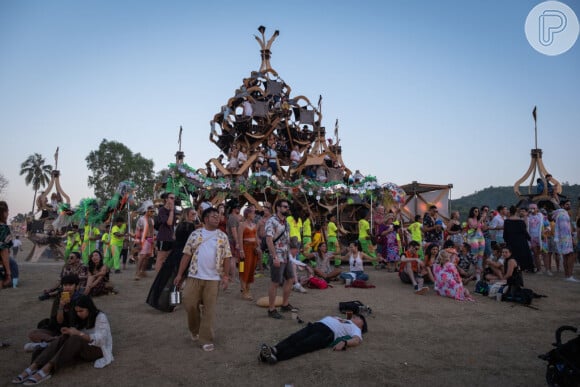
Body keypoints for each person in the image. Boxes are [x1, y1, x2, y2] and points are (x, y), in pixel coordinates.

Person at [12, 295, 114, 384]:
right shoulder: (67, 305)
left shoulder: (100, 317)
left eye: (81, 311)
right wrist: (69, 331)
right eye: (77, 311)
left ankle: (47, 368)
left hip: (99, 349)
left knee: (75, 338)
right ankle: (33, 367)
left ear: (89, 309)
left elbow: (101, 340)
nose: (78, 313)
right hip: (82, 346)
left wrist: (78, 333)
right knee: (66, 336)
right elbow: (59, 322)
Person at [174, 207, 231, 352]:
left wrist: (225, 276)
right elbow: (186, 255)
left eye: (218, 216)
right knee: (189, 303)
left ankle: (205, 338)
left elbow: (227, 257)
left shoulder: (222, 236)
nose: (217, 218)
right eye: (213, 216)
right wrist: (180, 275)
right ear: (205, 219)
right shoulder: (195, 234)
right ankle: (194, 329)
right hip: (194, 275)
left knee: (209, 310)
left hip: (213, 278)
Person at [258, 313, 367, 364]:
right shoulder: (344, 319)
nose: (357, 317)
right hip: (316, 326)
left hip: (327, 333)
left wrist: (344, 342)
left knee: (302, 345)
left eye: (359, 318)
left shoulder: (356, 329)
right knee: (294, 337)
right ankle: (273, 350)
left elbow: (356, 340)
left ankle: (277, 357)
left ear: (361, 325)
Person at [147, 207, 197, 312]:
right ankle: (174, 301)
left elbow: (175, 238)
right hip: (185, 254)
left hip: (176, 253)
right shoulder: (190, 226)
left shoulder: (180, 226)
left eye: (195, 214)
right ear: (187, 214)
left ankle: (172, 301)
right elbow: (192, 241)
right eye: (192, 214)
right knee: (181, 278)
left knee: (175, 277)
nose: (194, 216)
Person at [25, 274, 82, 352]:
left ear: (76, 286)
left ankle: (47, 344)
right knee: (32, 333)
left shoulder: (81, 298)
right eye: (65, 285)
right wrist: (61, 306)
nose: (68, 287)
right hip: (58, 330)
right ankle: (54, 341)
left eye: (71, 285)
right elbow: (59, 321)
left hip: (73, 330)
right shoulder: (59, 297)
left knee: (72, 338)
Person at [265, 199, 295, 319]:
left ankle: (285, 304)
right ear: (277, 208)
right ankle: (271, 309)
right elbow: (269, 239)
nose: (287, 209)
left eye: (287, 207)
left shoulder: (286, 222)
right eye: (284, 207)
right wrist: (274, 256)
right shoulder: (271, 221)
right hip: (277, 255)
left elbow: (286, 239)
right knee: (275, 282)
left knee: (291, 279)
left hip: (286, 255)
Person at [237, 206, 260, 300]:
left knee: (251, 269)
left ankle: (248, 289)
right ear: (248, 214)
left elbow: (256, 237)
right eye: (253, 213)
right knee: (243, 269)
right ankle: (243, 290)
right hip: (245, 249)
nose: (254, 214)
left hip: (253, 249)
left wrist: (258, 246)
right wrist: (241, 250)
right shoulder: (242, 225)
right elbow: (239, 239)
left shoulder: (254, 225)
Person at [552, 200, 578, 282]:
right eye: (567, 204)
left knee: (565, 256)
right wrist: (572, 238)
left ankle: (567, 275)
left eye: (569, 204)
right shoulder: (563, 215)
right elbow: (565, 228)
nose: (569, 205)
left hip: (563, 238)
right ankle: (569, 276)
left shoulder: (561, 214)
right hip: (565, 238)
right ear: (562, 206)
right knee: (570, 256)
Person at [503, 205, 534, 272]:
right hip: (521, 241)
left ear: (510, 212)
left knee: (513, 255)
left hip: (511, 240)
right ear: (516, 211)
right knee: (522, 255)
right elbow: (524, 232)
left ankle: (513, 267)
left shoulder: (507, 221)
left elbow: (505, 233)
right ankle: (522, 268)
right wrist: (529, 238)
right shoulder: (521, 221)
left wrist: (506, 240)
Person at [155, 193, 176, 272]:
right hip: (163, 238)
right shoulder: (162, 210)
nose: (173, 200)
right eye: (171, 198)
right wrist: (171, 211)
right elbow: (169, 223)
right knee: (160, 258)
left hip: (170, 238)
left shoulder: (174, 211)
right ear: (166, 199)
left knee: (169, 258)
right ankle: (158, 278)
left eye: (174, 198)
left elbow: (173, 225)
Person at [134, 203, 156, 280]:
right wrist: (138, 242)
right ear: (146, 211)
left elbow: (152, 231)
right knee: (142, 256)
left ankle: (143, 271)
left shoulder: (152, 220)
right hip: (143, 240)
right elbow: (137, 231)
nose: (152, 213)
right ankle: (137, 273)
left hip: (150, 240)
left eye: (153, 211)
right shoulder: (141, 219)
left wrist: (153, 240)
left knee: (147, 257)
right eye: (150, 211)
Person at [527, 203, 549, 275]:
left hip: (542, 238)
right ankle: (539, 269)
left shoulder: (542, 216)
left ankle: (547, 270)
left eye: (534, 208)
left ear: (537, 209)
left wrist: (544, 231)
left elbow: (548, 227)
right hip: (532, 238)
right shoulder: (528, 217)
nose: (532, 209)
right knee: (536, 254)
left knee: (545, 253)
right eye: (531, 208)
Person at [466, 207, 485, 281]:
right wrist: (480, 220)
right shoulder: (470, 219)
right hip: (474, 237)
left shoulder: (479, 219)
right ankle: (474, 275)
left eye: (478, 211)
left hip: (481, 237)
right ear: (472, 212)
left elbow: (483, 228)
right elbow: (474, 227)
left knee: (480, 256)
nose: (477, 212)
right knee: (475, 256)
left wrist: (483, 221)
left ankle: (478, 278)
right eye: (475, 211)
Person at [0, 201, 13, 288]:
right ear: (4, 213)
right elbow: (4, 251)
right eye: (8, 211)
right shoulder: (3, 228)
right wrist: (8, 273)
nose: (8, 213)